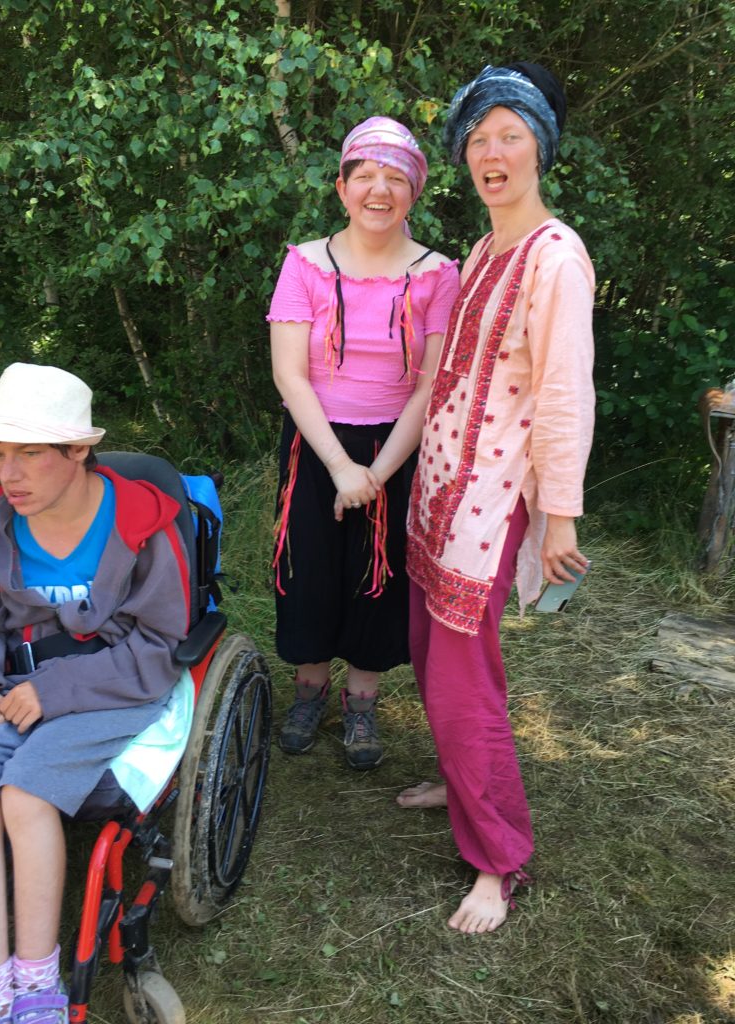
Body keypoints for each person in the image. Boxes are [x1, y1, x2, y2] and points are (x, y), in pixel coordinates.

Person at [399, 63, 595, 933]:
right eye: (479, 137)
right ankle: (459, 780)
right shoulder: (482, 252)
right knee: (431, 654)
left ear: (540, 148)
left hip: (486, 507)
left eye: (510, 134)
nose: (493, 152)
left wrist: (561, 515)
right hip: (439, 492)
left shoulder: (556, 258)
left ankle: (497, 858)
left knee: (460, 682)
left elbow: (564, 393)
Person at [0, 363, 190, 1024]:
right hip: (16, 686)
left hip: (115, 687)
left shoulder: (144, 526)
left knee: (25, 793)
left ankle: (38, 984)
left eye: (30, 453)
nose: (10, 474)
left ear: (78, 450)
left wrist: (57, 688)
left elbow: (160, 645)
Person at [268, 117, 460, 769]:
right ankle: (309, 690)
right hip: (315, 443)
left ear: (414, 191)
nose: (380, 190)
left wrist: (376, 472)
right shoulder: (304, 264)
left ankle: (362, 701)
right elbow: (290, 374)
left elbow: (432, 384)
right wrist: (340, 465)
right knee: (311, 566)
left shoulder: (439, 274)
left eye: (395, 178)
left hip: (396, 450)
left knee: (380, 574)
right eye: (366, 176)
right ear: (342, 188)